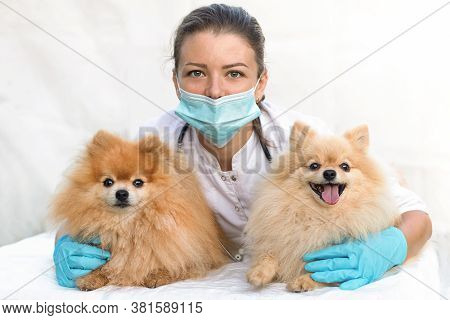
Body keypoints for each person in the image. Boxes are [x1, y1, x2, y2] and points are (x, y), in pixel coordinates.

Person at [53, 4, 432, 290]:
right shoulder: (153, 144)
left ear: (261, 81)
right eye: (196, 73)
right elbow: (85, 201)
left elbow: (417, 216)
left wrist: (387, 249)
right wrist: (67, 243)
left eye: (234, 73)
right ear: (176, 81)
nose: (215, 91)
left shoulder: (302, 139)